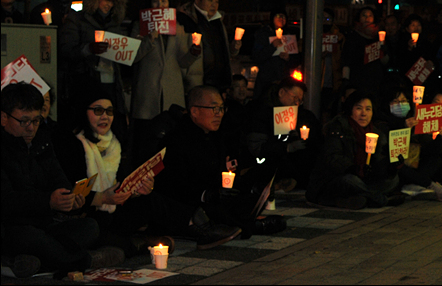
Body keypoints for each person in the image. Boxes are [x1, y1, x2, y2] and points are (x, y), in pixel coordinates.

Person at [1, 83, 124, 276]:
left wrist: (71, 197)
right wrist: (48, 201)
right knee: (29, 237)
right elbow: (7, 201)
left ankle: (31, 263)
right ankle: (84, 260)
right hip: (12, 226)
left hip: (45, 223)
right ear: (4, 117)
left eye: (36, 121)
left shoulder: (42, 141)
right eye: (24, 121)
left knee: (89, 227)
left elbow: (58, 178)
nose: (31, 128)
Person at [50, 93, 177, 258]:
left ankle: (178, 229)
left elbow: (123, 182)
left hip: (114, 210)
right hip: (86, 211)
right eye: (98, 111)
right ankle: (139, 245)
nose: (105, 117)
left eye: (109, 111)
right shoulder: (72, 144)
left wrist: (139, 188)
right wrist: (102, 198)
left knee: (154, 200)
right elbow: (72, 191)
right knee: (95, 228)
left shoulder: (114, 142)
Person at [153, 85, 259, 244]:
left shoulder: (216, 136)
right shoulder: (176, 141)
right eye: (214, 109)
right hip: (187, 203)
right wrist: (207, 194)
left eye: (222, 109)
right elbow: (173, 185)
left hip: (211, 196)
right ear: (194, 111)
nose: (219, 115)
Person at [130, 0, 201, 164]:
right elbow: (133, 56)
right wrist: (150, 38)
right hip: (148, 93)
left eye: (163, 1)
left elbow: (182, 62)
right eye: (155, 1)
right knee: (146, 142)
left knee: (170, 141)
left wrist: (193, 53)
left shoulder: (178, 27)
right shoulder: (140, 26)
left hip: (171, 92)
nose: (159, 5)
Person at [59, 0, 130, 144]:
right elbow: (65, 50)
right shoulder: (77, 19)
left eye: (112, 0)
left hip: (111, 84)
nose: (108, 4)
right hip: (86, 82)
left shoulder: (115, 24)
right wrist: (88, 49)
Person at [305, 91, 403, 210]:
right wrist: (355, 168)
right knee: (349, 180)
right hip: (334, 179)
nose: (363, 114)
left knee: (393, 180)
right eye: (358, 108)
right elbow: (332, 159)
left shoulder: (377, 134)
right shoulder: (338, 128)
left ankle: (362, 197)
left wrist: (391, 166)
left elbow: (377, 166)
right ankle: (379, 199)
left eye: (368, 109)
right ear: (350, 110)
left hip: (363, 182)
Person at [242, 78, 323, 191]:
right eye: (294, 97)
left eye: (300, 100)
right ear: (281, 92)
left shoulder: (299, 115)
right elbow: (257, 148)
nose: (296, 103)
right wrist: (287, 147)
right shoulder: (260, 112)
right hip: (259, 167)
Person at [177, 0, 240, 93]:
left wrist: (234, 48)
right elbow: (181, 57)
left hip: (219, 84)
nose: (214, 5)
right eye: (210, 0)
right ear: (197, 0)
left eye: (217, 1)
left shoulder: (218, 22)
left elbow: (226, 53)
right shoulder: (185, 20)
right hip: (197, 83)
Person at [251, 9, 303, 97]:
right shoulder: (263, 34)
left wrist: (288, 58)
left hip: (284, 81)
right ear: (272, 18)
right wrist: (272, 46)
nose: (281, 19)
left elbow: (296, 61)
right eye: (278, 16)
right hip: (266, 82)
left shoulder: (289, 36)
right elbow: (256, 57)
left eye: (283, 17)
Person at [342, 7, 385, 95]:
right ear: (359, 18)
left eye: (370, 15)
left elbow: (385, 61)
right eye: (364, 15)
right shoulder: (353, 36)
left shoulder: (379, 37)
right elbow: (347, 59)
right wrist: (345, 80)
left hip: (375, 80)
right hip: (357, 79)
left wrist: (383, 49)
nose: (367, 18)